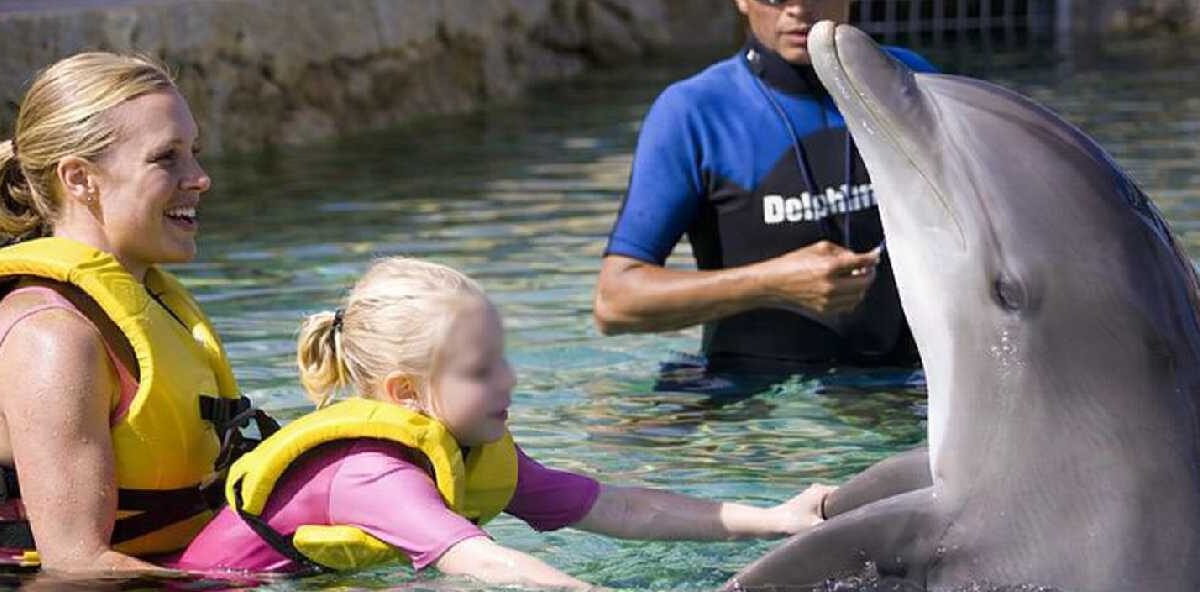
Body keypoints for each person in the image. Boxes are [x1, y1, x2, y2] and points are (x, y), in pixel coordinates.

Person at [173, 257, 834, 588]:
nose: (510, 380)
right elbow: (478, 559)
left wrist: (777, 518)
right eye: (483, 369)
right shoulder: (371, 474)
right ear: (407, 393)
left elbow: (621, 509)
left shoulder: (471, 449)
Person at [593, 0, 938, 377]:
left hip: (902, 385)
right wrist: (773, 283)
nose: (798, 6)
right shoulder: (696, 112)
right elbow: (615, 301)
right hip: (755, 405)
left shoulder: (908, 83)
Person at [0, 52, 269, 573]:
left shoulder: (148, 306)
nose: (200, 178)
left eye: (194, 152)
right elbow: (76, 569)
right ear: (79, 179)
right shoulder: (52, 337)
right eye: (166, 157)